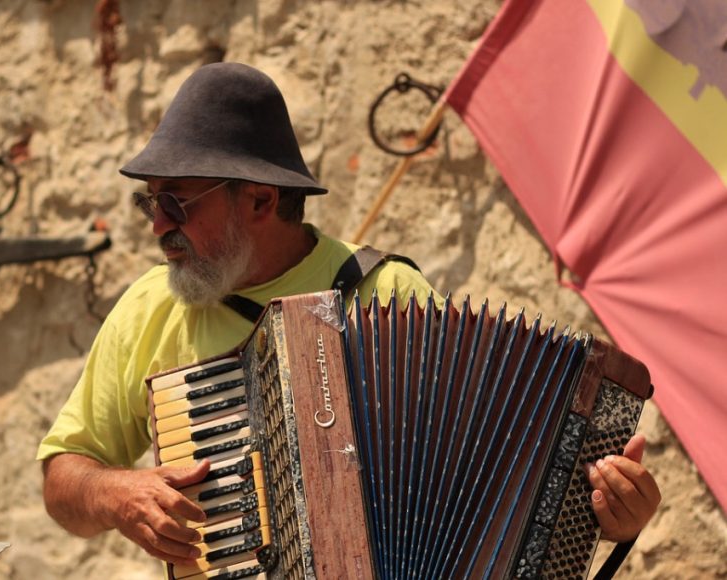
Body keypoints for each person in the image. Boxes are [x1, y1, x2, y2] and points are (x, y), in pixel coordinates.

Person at [37, 62, 660, 568]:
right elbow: (63, 478)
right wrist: (114, 493)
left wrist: (609, 514)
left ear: (260, 199)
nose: (158, 225)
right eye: (149, 201)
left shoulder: (388, 294)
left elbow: (489, 490)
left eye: (176, 201)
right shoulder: (151, 306)